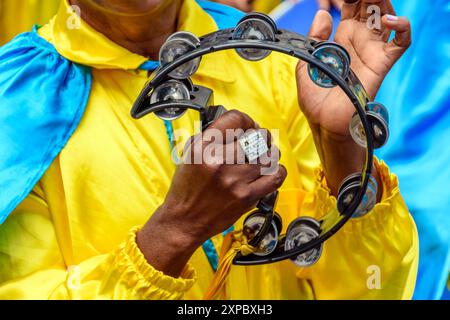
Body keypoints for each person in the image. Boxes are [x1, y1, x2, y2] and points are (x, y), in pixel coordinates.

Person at [0, 0, 417, 299]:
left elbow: (370, 289)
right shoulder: (18, 101)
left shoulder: (273, 61)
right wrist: (175, 231)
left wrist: (341, 145)